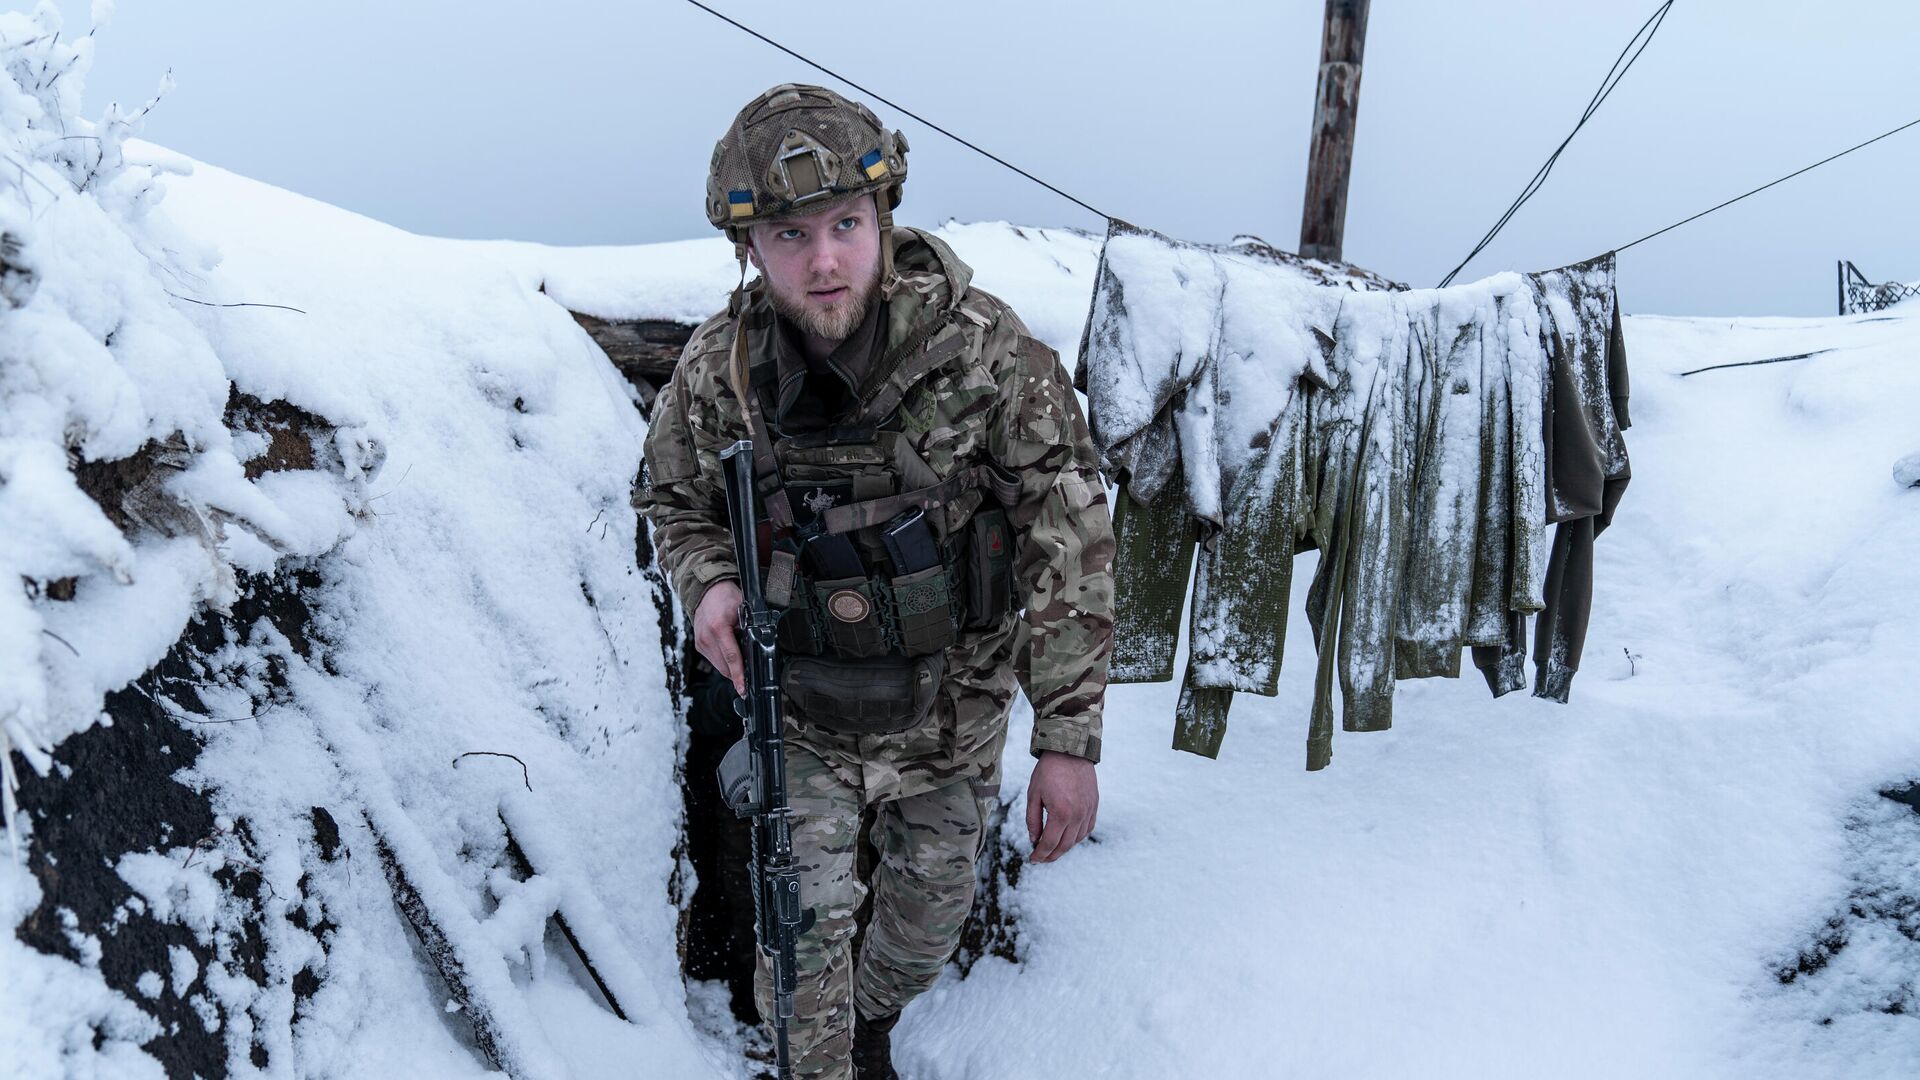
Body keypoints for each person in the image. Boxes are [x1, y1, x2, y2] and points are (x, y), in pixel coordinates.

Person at [637, 83, 1114, 1080]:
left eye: (845, 225)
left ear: (884, 219)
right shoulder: (718, 375)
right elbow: (673, 501)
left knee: (921, 928)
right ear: (751, 249)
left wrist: (1067, 743)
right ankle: (822, 1058)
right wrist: (712, 584)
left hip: (953, 711)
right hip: (801, 710)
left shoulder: (984, 354)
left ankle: (871, 1026)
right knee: (800, 950)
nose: (822, 260)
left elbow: (1065, 535)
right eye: (790, 234)